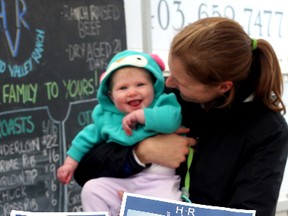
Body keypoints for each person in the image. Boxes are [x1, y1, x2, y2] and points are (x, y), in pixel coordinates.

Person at [74, 17, 288, 216]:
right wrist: (141, 153)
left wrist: (152, 210)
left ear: (223, 86)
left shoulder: (267, 131)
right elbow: (84, 169)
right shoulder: (169, 101)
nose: (168, 84)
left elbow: (251, 210)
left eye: (180, 81)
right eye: (170, 72)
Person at [57, 50, 189, 215]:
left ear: (154, 87)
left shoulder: (162, 103)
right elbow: (84, 140)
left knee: (170, 207)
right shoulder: (107, 118)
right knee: (92, 190)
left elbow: (171, 121)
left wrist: (142, 116)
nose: (132, 92)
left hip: (160, 181)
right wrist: (69, 164)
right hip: (123, 180)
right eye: (123, 88)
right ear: (111, 96)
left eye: (140, 85)